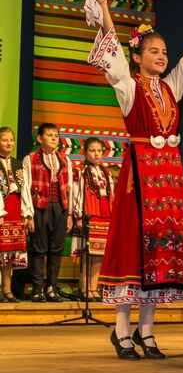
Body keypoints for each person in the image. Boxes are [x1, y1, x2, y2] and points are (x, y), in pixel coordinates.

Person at [83, 0, 183, 360]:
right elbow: (110, 54)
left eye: (164, 51)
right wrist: (106, 8)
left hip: (171, 180)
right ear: (139, 56)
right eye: (154, 51)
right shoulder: (130, 87)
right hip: (141, 179)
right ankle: (122, 330)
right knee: (135, 251)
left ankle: (148, 331)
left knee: (164, 253)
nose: (161, 56)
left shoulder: (171, 88)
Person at [23, 123, 74, 302]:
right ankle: (37, 289)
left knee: (56, 249)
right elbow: (26, 187)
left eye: (56, 135)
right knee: (38, 249)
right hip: (40, 207)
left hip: (59, 207)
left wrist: (69, 214)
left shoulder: (65, 159)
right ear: (39, 138)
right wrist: (28, 214)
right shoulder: (31, 158)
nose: (54, 138)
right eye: (50, 135)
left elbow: (69, 188)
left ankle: (52, 287)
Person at [72, 137, 115, 302]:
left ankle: (93, 288)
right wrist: (78, 215)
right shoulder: (81, 171)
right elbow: (77, 193)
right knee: (87, 253)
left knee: (99, 254)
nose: (96, 154)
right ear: (85, 152)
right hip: (90, 213)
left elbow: (112, 195)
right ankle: (83, 288)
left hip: (105, 215)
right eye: (92, 150)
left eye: (99, 151)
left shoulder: (106, 172)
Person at [0, 127, 31, 302]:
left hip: (14, 210)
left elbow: (25, 190)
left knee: (9, 254)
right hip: (2, 210)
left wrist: (27, 214)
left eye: (11, 140)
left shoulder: (17, 163)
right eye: (5, 140)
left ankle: (7, 290)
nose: (9, 143)